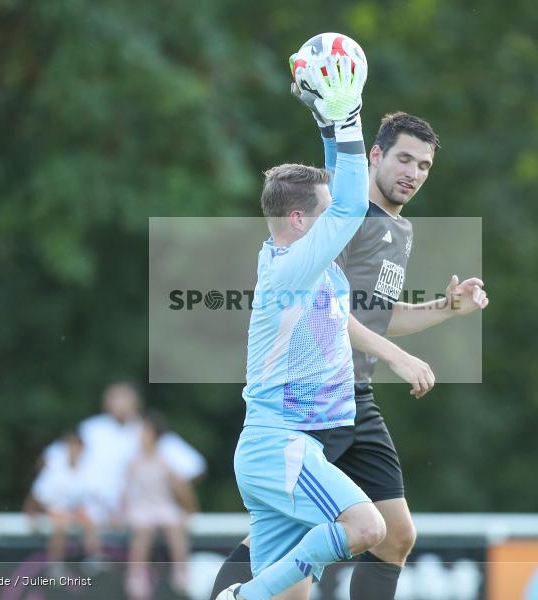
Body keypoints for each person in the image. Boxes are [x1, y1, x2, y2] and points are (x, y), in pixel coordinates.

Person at [211, 110, 488, 599]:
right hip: (317, 404)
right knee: (298, 549)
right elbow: (334, 317)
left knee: (394, 534)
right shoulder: (346, 221)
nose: (414, 172)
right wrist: (338, 117)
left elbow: (373, 313)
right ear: (375, 156)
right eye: (404, 158)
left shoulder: (395, 229)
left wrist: (446, 308)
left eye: (424, 165)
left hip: (352, 398)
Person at [215, 52, 387, 600]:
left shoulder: (296, 262)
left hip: (280, 447)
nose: (335, 216)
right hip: (281, 446)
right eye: (323, 210)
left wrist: (326, 123)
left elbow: (340, 193)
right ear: (297, 220)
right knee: (368, 528)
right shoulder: (291, 269)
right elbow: (354, 203)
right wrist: (350, 115)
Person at [123, 412, 199, 599]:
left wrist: (191, 509)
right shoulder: (134, 462)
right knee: (144, 529)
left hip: (162, 504)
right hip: (142, 506)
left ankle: (180, 570)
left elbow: (180, 487)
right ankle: (136, 574)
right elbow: (125, 491)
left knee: (174, 525)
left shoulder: (164, 461)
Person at [30, 430, 103, 576]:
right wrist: (33, 514)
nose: (73, 450)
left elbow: (93, 496)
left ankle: (93, 557)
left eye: (77, 447)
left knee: (90, 522)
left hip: (74, 510)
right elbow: (38, 494)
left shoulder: (87, 470)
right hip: (55, 508)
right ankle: (55, 565)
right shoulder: (54, 468)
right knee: (60, 526)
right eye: (70, 446)